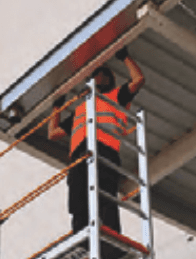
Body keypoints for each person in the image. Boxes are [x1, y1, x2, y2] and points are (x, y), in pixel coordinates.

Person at [48, 49, 145, 237]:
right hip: (79, 157)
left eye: (101, 74)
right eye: (95, 74)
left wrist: (125, 56)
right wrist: (56, 107)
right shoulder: (81, 110)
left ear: (108, 80)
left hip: (104, 151)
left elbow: (138, 79)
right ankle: (82, 239)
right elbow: (53, 133)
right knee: (78, 202)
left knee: (104, 197)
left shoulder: (115, 96)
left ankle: (110, 238)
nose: (97, 77)